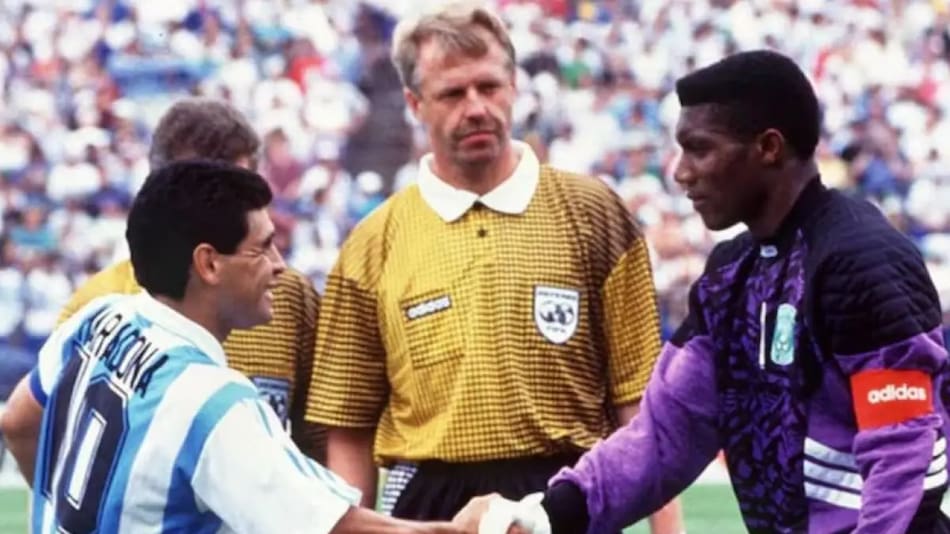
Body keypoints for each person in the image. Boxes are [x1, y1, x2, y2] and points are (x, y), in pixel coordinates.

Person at [458, 50, 950, 534]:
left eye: (700, 148)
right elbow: (664, 436)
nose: (680, 172)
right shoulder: (728, 274)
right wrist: (547, 513)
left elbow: (905, 455)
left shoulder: (862, 262)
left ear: (769, 147)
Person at [304, 3, 682, 533]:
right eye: (453, 93)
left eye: (489, 86)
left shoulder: (593, 213)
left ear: (515, 86)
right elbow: (350, 426)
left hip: (569, 492)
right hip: (426, 502)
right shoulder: (372, 244)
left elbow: (639, 402)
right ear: (415, 103)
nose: (476, 107)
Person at [0, 161, 465, 533]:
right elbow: (336, 528)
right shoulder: (214, 402)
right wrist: (466, 529)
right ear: (208, 264)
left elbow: (19, 421)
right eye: (262, 248)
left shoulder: (97, 317)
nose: (280, 266)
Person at [53, 98, 325, 463]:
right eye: (203, 191)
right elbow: (38, 430)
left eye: (236, 191)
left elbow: (322, 436)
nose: (222, 209)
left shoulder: (286, 294)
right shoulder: (100, 304)